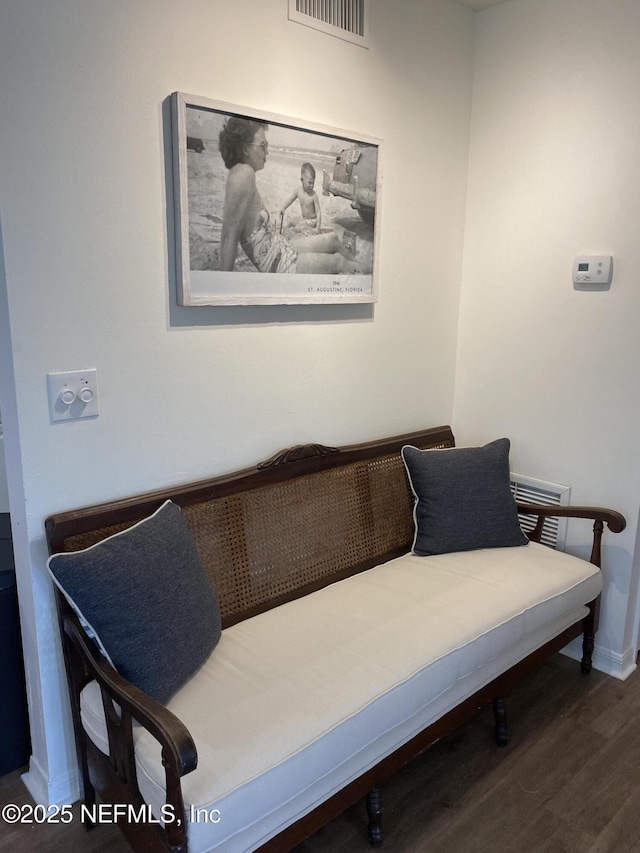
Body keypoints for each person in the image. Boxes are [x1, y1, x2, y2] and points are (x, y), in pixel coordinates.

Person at [218, 118, 366, 274]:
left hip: (281, 249)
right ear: (245, 148)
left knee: (333, 240)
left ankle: (360, 268)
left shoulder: (243, 174)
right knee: (338, 262)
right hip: (280, 264)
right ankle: (365, 273)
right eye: (263, 145)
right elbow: (229, 236)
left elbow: (230, 231)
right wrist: (224, 284)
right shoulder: (243, 174)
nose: (267, 150)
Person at [279, 162, 322, 234]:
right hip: (304, 219)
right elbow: (291, 199)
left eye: (313, 183)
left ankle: (311, 230)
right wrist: (283, 207)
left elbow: (318, 212)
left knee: (298, 228)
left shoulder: (313, 195)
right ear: (302, 180)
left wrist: (318, 228)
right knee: (291, 221)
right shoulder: (298, 191)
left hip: (312, 221)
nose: (311, 186)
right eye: (309, 183)